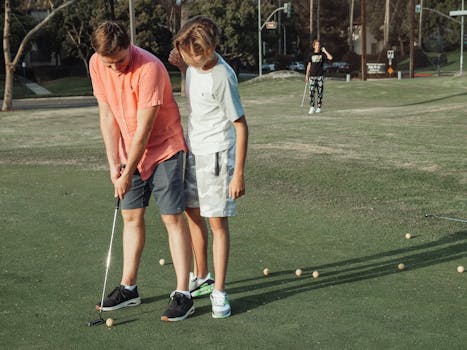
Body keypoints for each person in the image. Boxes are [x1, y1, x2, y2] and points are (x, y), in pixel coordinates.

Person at [89, 21, 194, 322]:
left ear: (129, 46)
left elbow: (145, 130)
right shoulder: (98, 64)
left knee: (172, 217)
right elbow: (107, 115)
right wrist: (114, 166)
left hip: (164, 147)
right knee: (131, 216)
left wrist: (126, 172)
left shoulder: (149, 67)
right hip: (127, 151)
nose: (115, 69)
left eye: (120, 61)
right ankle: (128, 288)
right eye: (109, 64)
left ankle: (183, 294)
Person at [169, 15, 249, 318]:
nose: (184, 58)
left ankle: (219, 292)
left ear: (205, 51)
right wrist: (181, 66)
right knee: (192, 213)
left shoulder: (223, 77)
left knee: (217, 223)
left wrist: (238, 173)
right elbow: (193, 90)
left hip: (217, 155)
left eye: (188, 55)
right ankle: (201, 278)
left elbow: (241, 127)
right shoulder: (192, 66)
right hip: (194, 150)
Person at [305, 39, 333, 114]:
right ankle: (312, 107)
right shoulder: (310, 54)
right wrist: (307, 76)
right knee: (311, 92)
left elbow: (330, 58)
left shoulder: (322, 54)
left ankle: (319, 107)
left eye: (319, 45)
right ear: (314, 46)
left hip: (320, 76)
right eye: (316, 45)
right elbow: (309, 65)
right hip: (312, 76)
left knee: (320, 92)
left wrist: (325, 51)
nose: (318, 46)